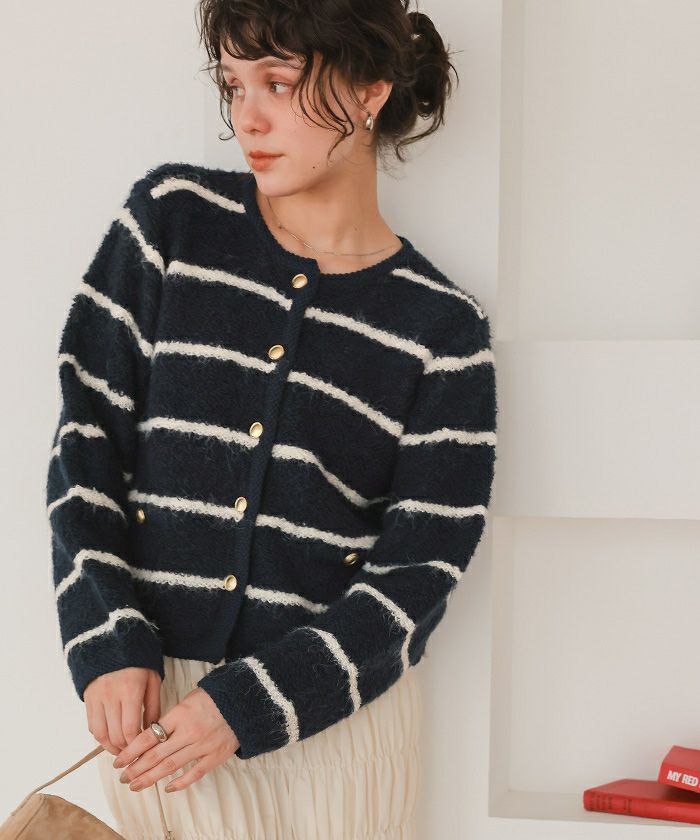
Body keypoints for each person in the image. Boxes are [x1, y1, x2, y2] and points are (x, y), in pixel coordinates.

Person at [46, 1, 497, 837]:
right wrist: (105, 636)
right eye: (234, 85)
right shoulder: (171, 223)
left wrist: (252, 703)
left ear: (370, 89)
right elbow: (85, 444)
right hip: (162, 720)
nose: (247, 118)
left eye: (279, 83)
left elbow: (420, 573)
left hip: (339, 738)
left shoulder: (441, 331)